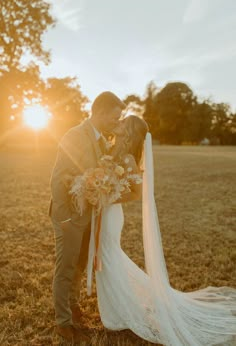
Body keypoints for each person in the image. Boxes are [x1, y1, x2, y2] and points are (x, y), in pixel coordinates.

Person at [94, 115, 236, 346]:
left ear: (129, 132)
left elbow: (136, 193)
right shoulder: (112, 151)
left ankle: (121, 310)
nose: (118, 123)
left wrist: (108, 197)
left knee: (108, 256)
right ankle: (117, 306)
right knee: (108, 257)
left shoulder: (128, 158)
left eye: (123, 123)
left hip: (111, 213)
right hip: (103, 211)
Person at [49, 91, 125, 342]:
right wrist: (64, 218)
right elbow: (58, 178)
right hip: (69, 216)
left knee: (80, 264)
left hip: (90, 216)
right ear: (100, 112)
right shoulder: (74, 135)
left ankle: (73, 304)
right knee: (66, 267)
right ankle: (63, 322)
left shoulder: (104, 139)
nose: (118, 121)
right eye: (115, 117)